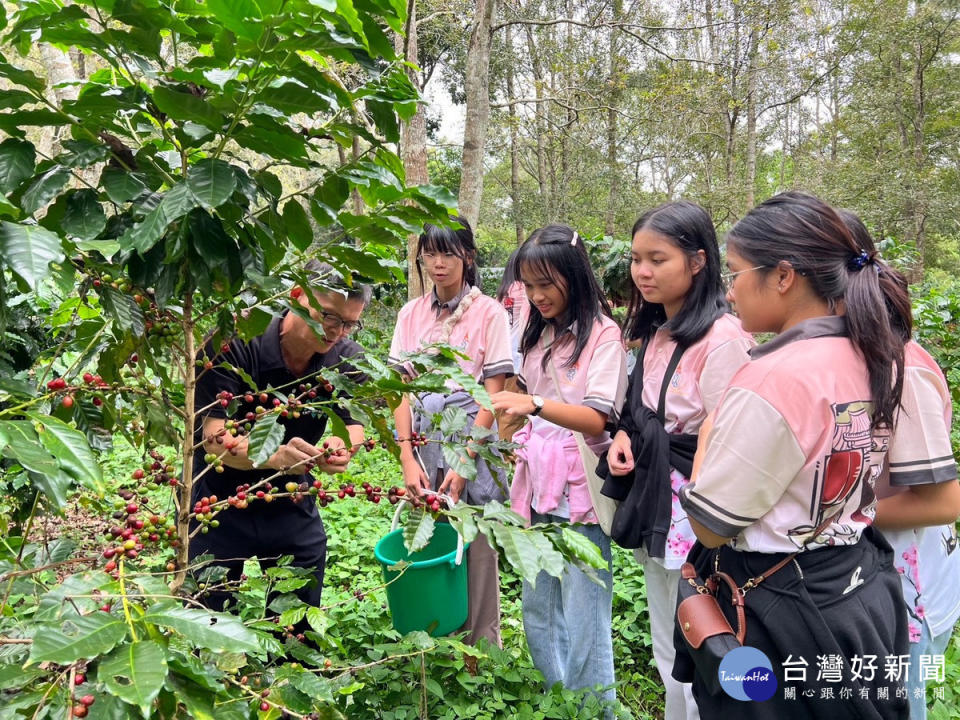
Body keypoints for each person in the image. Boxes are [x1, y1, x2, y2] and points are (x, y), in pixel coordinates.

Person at [674, 192, 913, 719]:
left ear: (783, 276)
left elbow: (713, 527)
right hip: (859, 588)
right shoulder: (879, 353)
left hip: (779, 614)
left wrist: (710, 438)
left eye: (735, 272)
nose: (729, 292)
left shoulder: (774, 376)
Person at [601, 200, 753, 720]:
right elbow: (641, 410)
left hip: (695, 515)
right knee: (667, 635)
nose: (642, 272)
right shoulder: (658, 330)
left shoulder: (722, 339)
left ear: (698, 261)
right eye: (636, 258)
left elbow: (731, 438)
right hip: (655, 502)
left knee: (701, 638)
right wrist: (624, 433)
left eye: (657, 259)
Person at [491, 224, 627, 713]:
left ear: (574, 276)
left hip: (582, 488)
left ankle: (597, 710)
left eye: (545, 284)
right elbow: (519, 390)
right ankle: (558, 699)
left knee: (584, 607)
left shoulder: (604, 335)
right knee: (537, 599)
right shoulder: (536, 328)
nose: (536, 295)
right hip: (535, 480)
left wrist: (533, 403)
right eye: (527, 285)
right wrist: (512, 429)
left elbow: (596, 416)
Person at [189, 261, 370, 611]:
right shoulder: (235, 343)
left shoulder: (347, 362)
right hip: (218, 504)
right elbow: (213, 439)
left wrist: (341, 446)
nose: (336, 331)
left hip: (290, 500)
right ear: (297, 294)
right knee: (206, 624)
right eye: (329, 316)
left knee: (296, 624)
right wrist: (276, 457)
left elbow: (353, 424)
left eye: (349, 323)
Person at [838, 209, 960, 720]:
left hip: (910, 597)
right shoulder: (848, 360)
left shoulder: (900, 370)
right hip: (868, 589)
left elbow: (944, 501)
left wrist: (837, 516)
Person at [389, 216, 514, 648]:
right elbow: (398, 391)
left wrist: (464, 464)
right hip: (425, 435)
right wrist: (407, 456)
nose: (438, 263)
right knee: (429, 531)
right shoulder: (411, 313)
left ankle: (481, 649)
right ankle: (436, 638)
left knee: (476, 541)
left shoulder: (489, 313)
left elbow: (491, 397)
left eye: (448, 252)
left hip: (471, 436)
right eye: (430, 252)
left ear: (468, 257)